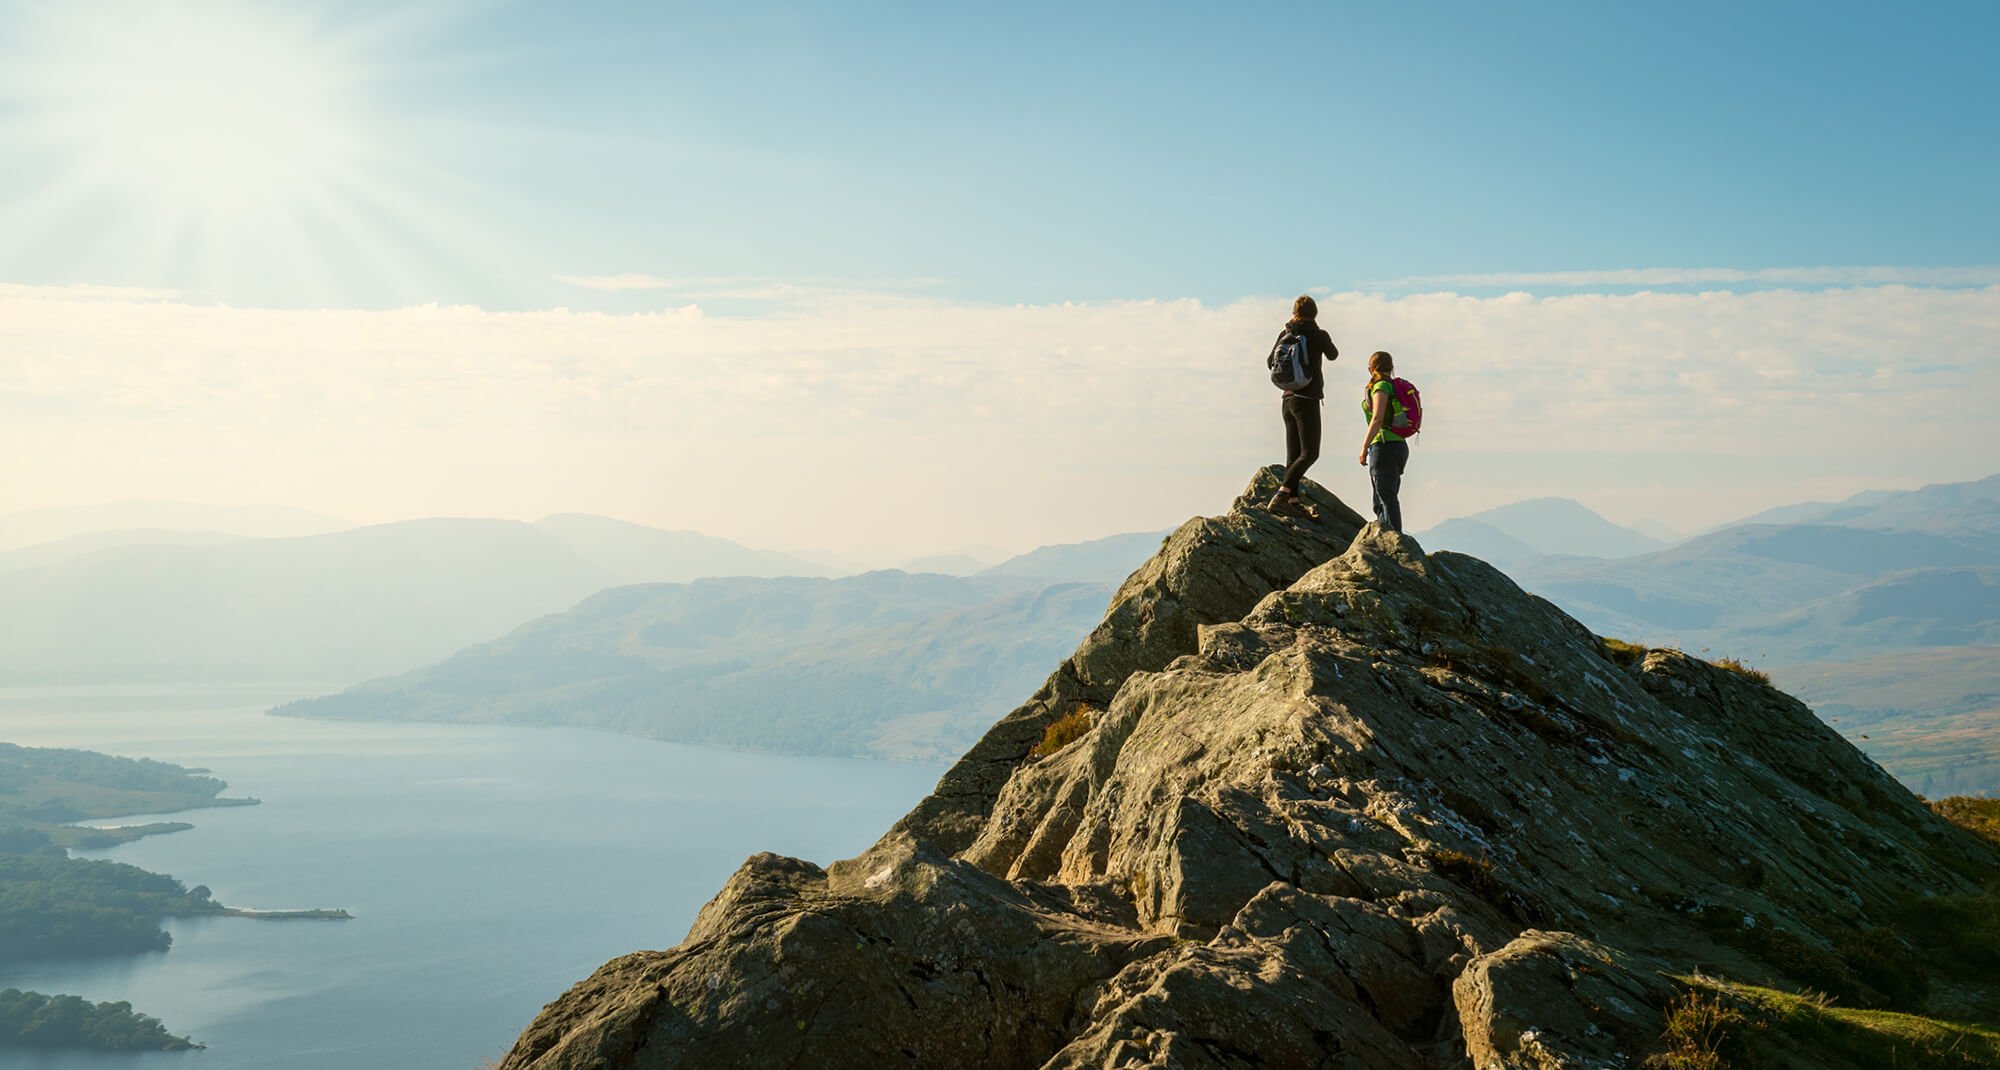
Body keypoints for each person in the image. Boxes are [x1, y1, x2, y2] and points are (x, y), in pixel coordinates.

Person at [1269, 295, 1338, 515]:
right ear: (1314, 313)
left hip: (1287, 400)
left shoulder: (1285, 334)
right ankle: (1282, 494)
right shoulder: (1317, 335)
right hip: (1307, 400)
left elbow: (1270, 362)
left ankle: (1293, 501)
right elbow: (1333, 355)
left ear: (1294, 312)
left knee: (1293, 454)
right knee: (1309, 453)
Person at [1358, 350, 1410, 532]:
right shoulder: (1394, 386)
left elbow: (1378, 418)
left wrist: (1364, 446)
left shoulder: (1381, 386)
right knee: (1385, 496)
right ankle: (1387, 536)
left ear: (1371, 368)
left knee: (1385, 497)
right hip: (1399, 446)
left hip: (1384, 446)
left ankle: (1395, 539)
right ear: (1391, 367)